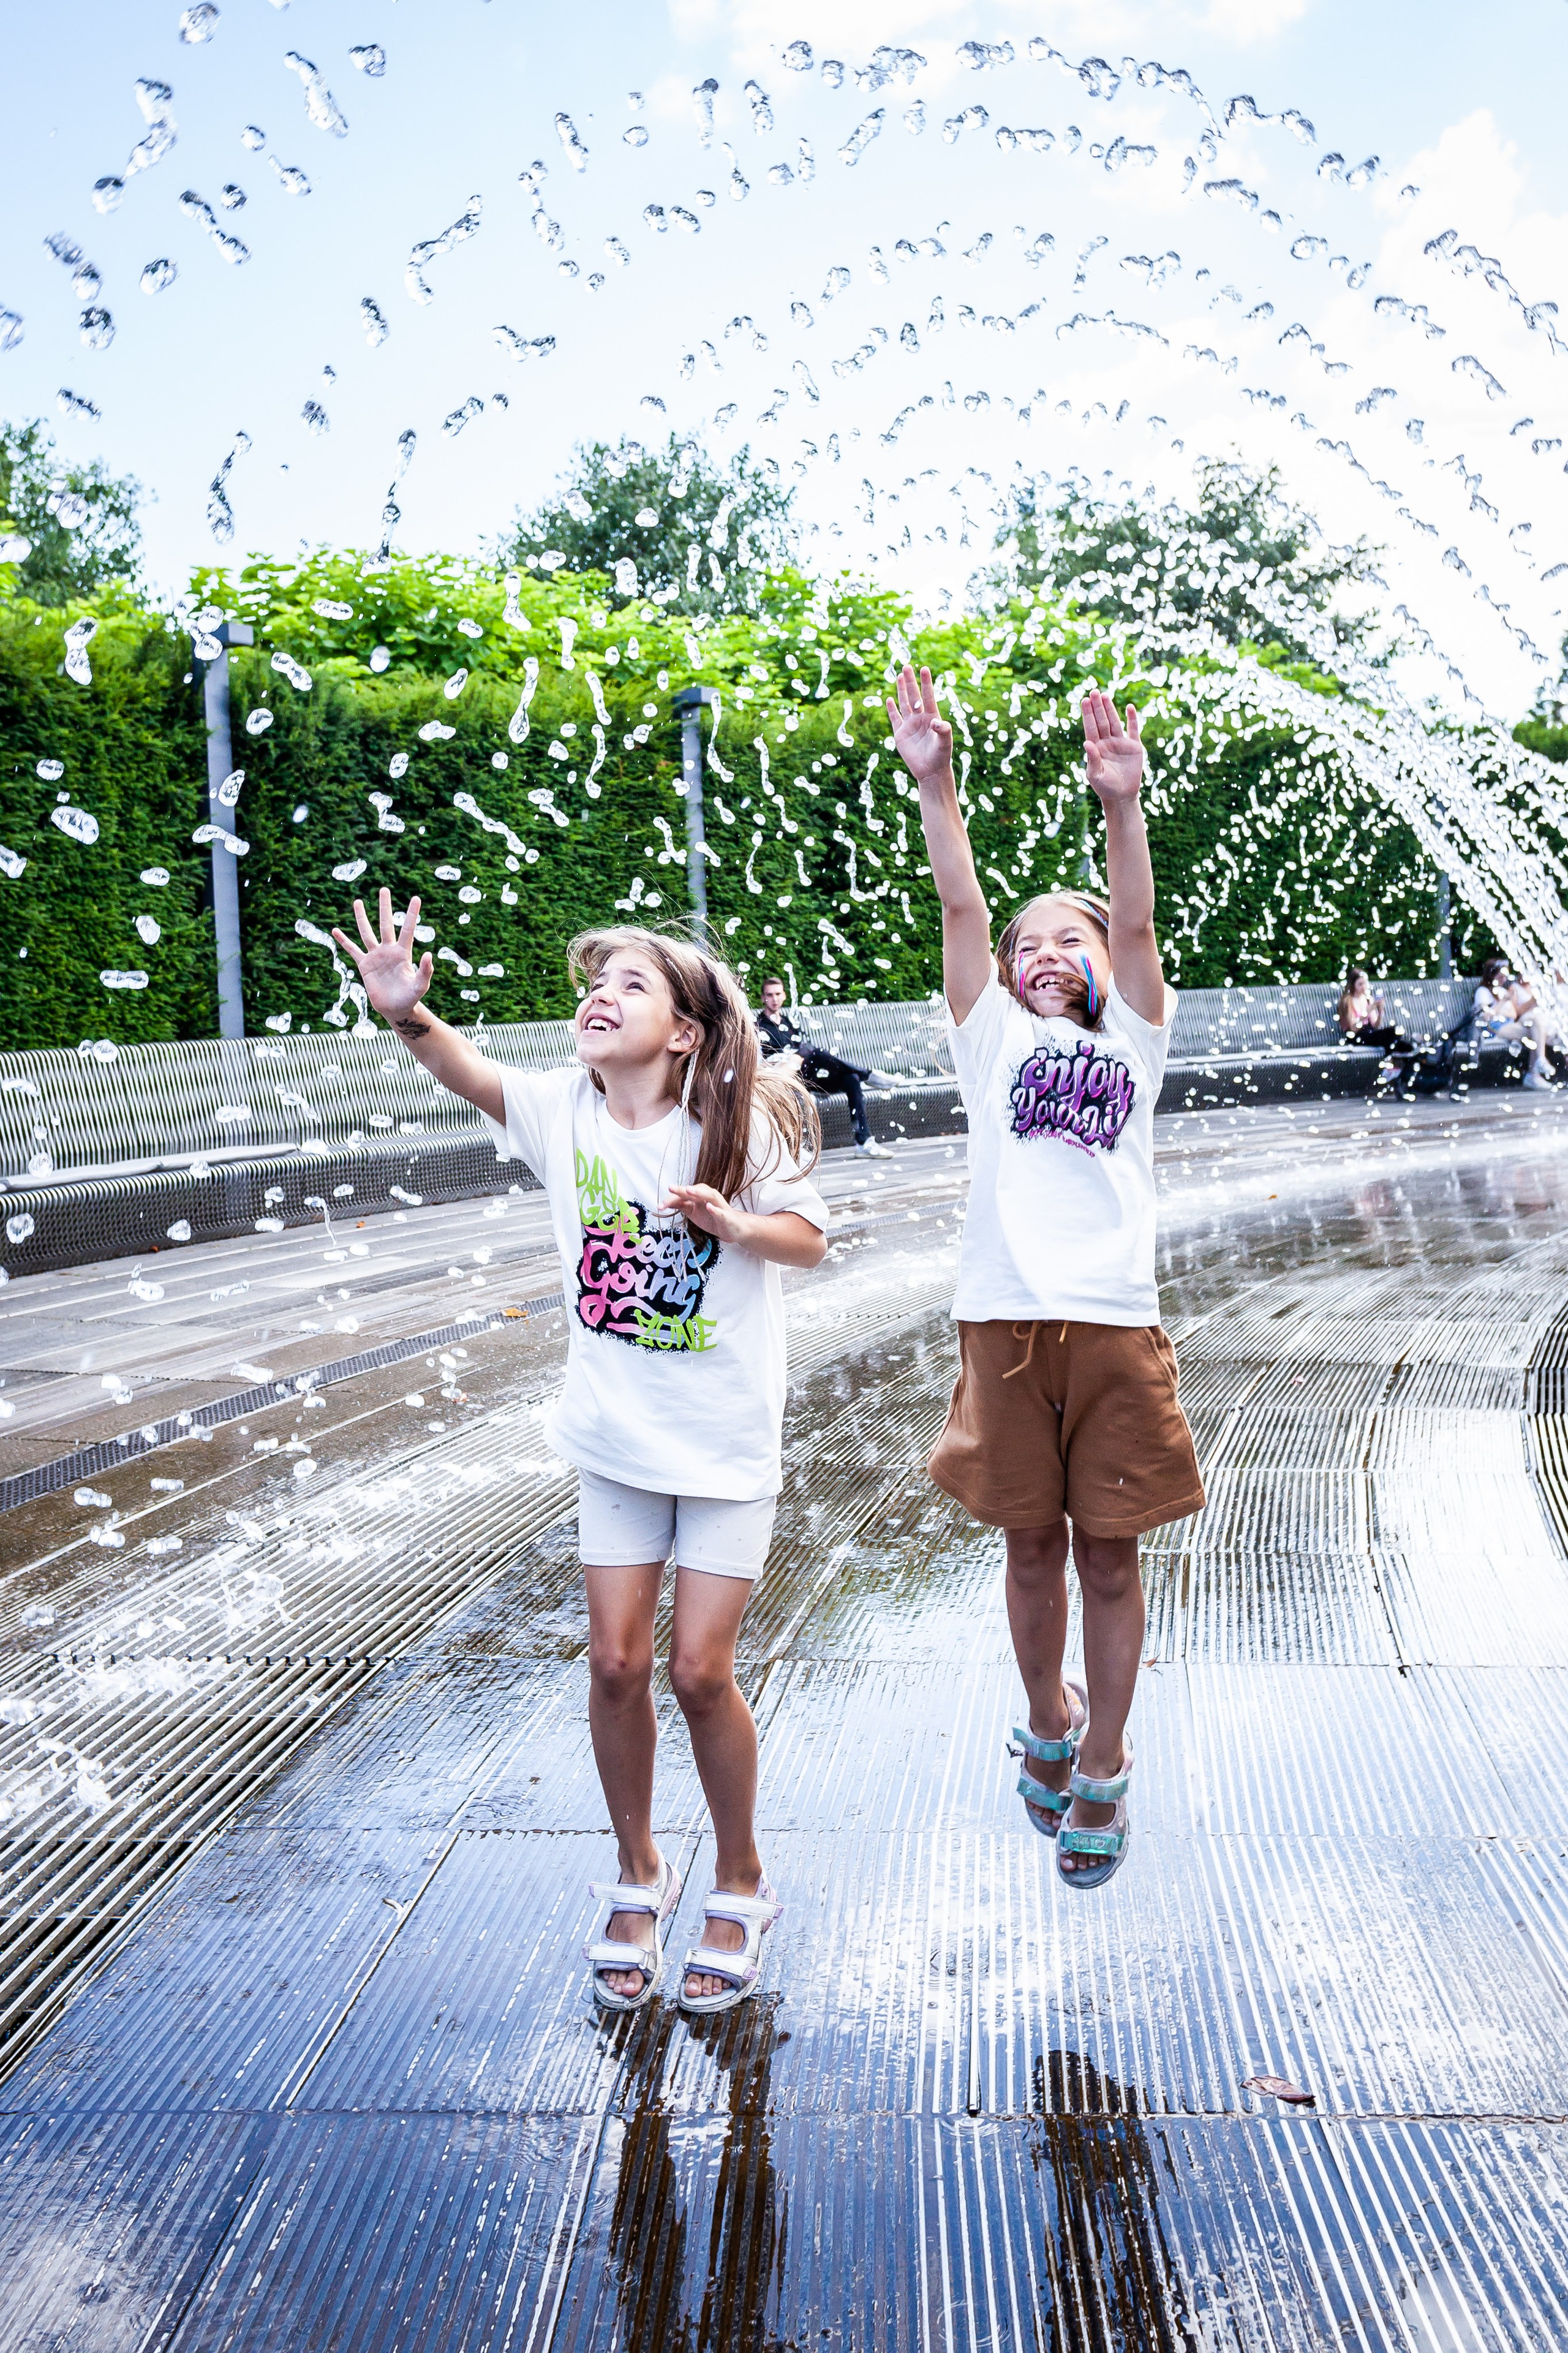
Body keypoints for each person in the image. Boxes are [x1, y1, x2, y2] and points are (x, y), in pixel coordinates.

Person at [333, 895, 831, 2011]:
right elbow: (466, 1071)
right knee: (615, 1664)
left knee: (702, 1671)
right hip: (613, 1442)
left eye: (630, 985)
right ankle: (638, 1868)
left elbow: (806, 1237)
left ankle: (743, 1877)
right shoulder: (563, 1110)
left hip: (722, 1447)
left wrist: (734, 1226)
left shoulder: (740, 1121)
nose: (598, 998)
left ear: (687, 1032)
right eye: (592, 985)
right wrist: (408, 1015)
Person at [888, 669, 1205, 1889]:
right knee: (1028, 1545)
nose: (1044, 951)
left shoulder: (1132, 1036)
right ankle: (1046, 1713)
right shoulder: (990, 1043)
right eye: (1028, 944)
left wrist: (1120, 810)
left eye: (1064, 934)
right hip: (1003, 1329)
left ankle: (1108, 1758)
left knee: (1108, 1553)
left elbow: (1132, 929)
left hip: (1116, 1327)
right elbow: (959, 908)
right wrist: (935, 780)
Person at [755, 976, 894, 1158]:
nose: (774, 999)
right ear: (762, 998)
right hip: (785, 1082)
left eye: (778, 994)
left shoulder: (789, 1023)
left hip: (807, 1076)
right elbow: (762, 1061)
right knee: (813, 1050)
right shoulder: (758, 1026)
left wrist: (802, 1054)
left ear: (785, 996)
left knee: (851, 1080)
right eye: (769, 995)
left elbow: (801, 1049)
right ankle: (867, 1074)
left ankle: (863, 1142)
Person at [1475, 956, 1556, 1090]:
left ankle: (1537, 1067)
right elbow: (1486, 1016)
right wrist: (1502, 1003)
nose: (1503, 979)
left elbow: (1513, 1014)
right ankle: (1534, 1073)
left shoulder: (1502, 991)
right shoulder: (1483, 992)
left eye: (1505, 976)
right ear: (1492, 975)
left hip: (1508, 1025)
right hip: (1492, 1029)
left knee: (1535, 1026)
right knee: (1536, 1031)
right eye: (1501, 976)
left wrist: (1502, 1008)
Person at [1336, 966, 1417, 1090]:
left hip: (1370, 1033)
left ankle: (1403, 1082)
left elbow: (1376, 1026)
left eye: (1365, 984)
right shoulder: (1348, 1001)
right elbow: (1353, 1029)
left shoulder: (1368, 999)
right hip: (1357, 1037)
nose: (1363, 987)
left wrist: (1381, 1011)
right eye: (1360, 984)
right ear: (1352, 985)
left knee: (1408, 1048)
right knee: (1393, 1035)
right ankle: (1390, 1067)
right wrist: (1366, 1012)